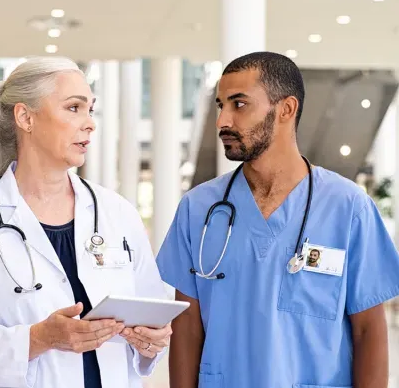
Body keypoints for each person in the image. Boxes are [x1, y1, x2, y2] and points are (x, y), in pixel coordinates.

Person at [156, 51, 399, 388]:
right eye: (220, 105)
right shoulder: (198, 209)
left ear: (286, 109)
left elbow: (369, 330)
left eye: (239, 104)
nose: (222, 121)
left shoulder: (348, 207)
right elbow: (187, 327)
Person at [0, 57, 172, 388]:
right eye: (74, 108)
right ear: (25, 117)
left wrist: (151, 341)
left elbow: (152, 314)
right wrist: (38, 338)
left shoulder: (117, 213)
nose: (89, 123)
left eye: (90, 109)